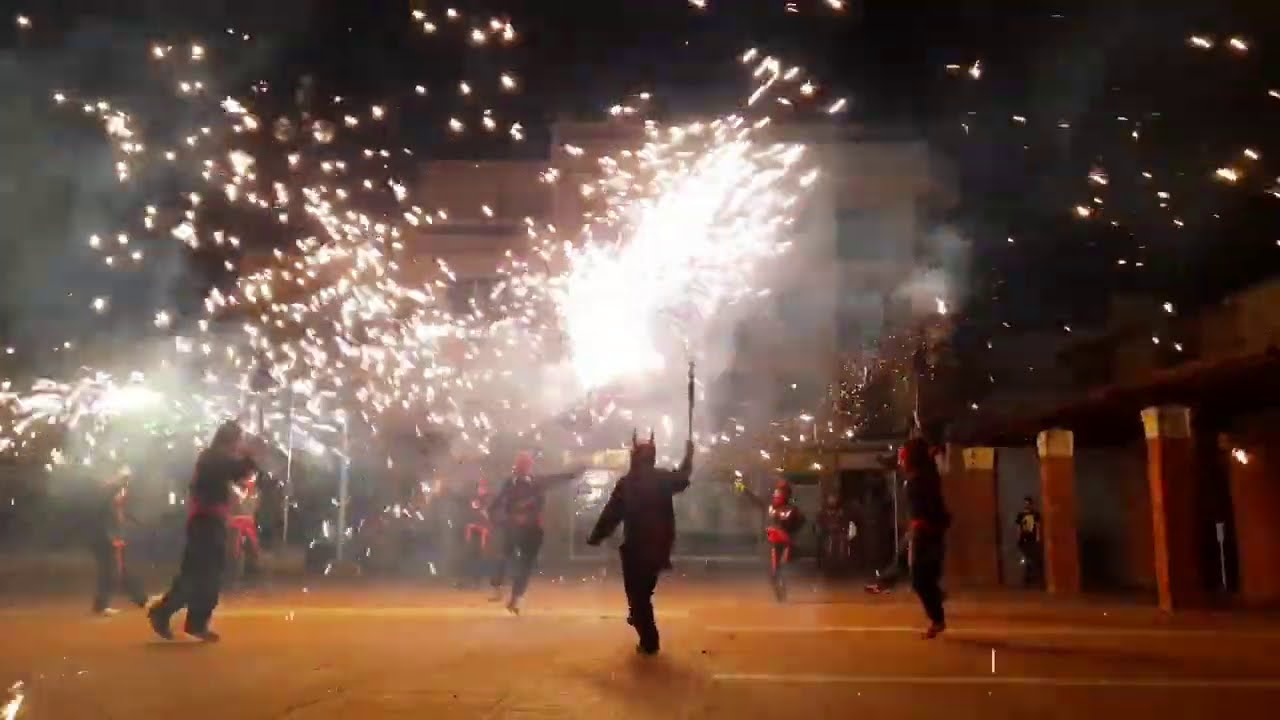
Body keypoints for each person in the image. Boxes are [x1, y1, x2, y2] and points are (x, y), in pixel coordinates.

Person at [148, 420, 257, 642]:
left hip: (207, 520)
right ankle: (168, 613)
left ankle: (191, 621)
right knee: (202, 574)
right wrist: (250, 456)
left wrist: (247, 458)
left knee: (204, 573)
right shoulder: (215, 457)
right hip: (205, 521)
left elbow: (238, 473)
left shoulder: (212, 456)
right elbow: (239, 471)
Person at [587, 431, 693, 655]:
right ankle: (640, 620)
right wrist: (688, 456)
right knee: (643, 592)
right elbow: (683, 478)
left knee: (638, 596)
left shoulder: (628, 483)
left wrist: (597, 536)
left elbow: (611, 514)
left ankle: (649, 640)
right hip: (659, 548)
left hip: (636, 549)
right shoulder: (663, 479)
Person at [488, 452, 583, 613]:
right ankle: (499, 587)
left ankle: (515, 598)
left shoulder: (537, 482)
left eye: (524, 464)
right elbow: (496, 504)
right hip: (512, 527)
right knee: (505, 556)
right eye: (519, 464)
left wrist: (573, 474)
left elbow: (556, 479)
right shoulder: (509, 483)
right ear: (516, 466)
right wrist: (500, 518)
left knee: (524, 563)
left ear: (528, 466)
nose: (521, 468)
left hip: (531, 529)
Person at [902, 437, 950, 639]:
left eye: (904, 456)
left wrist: (920, 527)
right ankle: (937, 607)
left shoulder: (923, 478)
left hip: (926, 532)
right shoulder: (922, 476)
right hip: (926, 531)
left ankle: (937, 616)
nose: (902, 460)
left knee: (920, 579)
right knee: (923, 577)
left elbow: (931, 508)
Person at [732, 478, 805, 601]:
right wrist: (740, 486)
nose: (777, 495)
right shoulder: (769, 506)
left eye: (780, 493)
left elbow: (800, 522)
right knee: (773, 572)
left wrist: (790, 534)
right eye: (776, 493)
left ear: (787, 495)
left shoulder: (791, 510)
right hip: (772, 544)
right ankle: (780, 594)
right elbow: (753, 498)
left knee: (782, 569)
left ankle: (784, 590)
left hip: (786, 544)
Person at [91, 467, 148, 616]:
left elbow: (120, 513)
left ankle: (139, 598)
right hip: (106, 537)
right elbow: (107, 513)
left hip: (112, 536)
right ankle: (103, 604)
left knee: (116, 570)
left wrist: (132, 522)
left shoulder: (117, 491)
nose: (127, 481)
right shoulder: (107, 491)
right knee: (112, 571)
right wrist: (112, 537)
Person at [456, 477, 493, 589]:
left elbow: (488, 517)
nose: (481, 489)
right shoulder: (475, 500)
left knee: (480, 557)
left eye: (483, 487)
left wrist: (484, 529)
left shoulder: (489, 500)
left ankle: (478, 581)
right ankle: (468, 580)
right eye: (480, 487)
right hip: (474, 532)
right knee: (469, 556)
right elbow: (472, 514)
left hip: (484, 532)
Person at [1015, 496, 1043, 587]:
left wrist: (1038, 538)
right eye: (1025, 503)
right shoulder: (1020, 515)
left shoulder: (1035, 514)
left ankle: (1035, 580)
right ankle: (1027, 580)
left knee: (1034, 559)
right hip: (1024, 540)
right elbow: (1019, 528)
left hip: (1033, 540)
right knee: (1025, 560)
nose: (1027, 505)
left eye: (1028, 503)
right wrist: (1019, 538)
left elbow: (1038, 526)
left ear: (1031, 504)